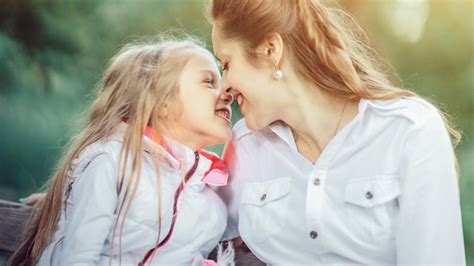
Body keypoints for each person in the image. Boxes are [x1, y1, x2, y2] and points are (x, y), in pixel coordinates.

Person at [207, 0, 466, 264]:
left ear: (271, 51)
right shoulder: (246, 145)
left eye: (226, 64)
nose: (224, 87)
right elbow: (189, 238)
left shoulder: (408, 130)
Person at [9, 36, 235, 266]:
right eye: (209, 82)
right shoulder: (112, 161)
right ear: (161, 102)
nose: (228, 91)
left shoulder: (211, 194)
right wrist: (77, 197)